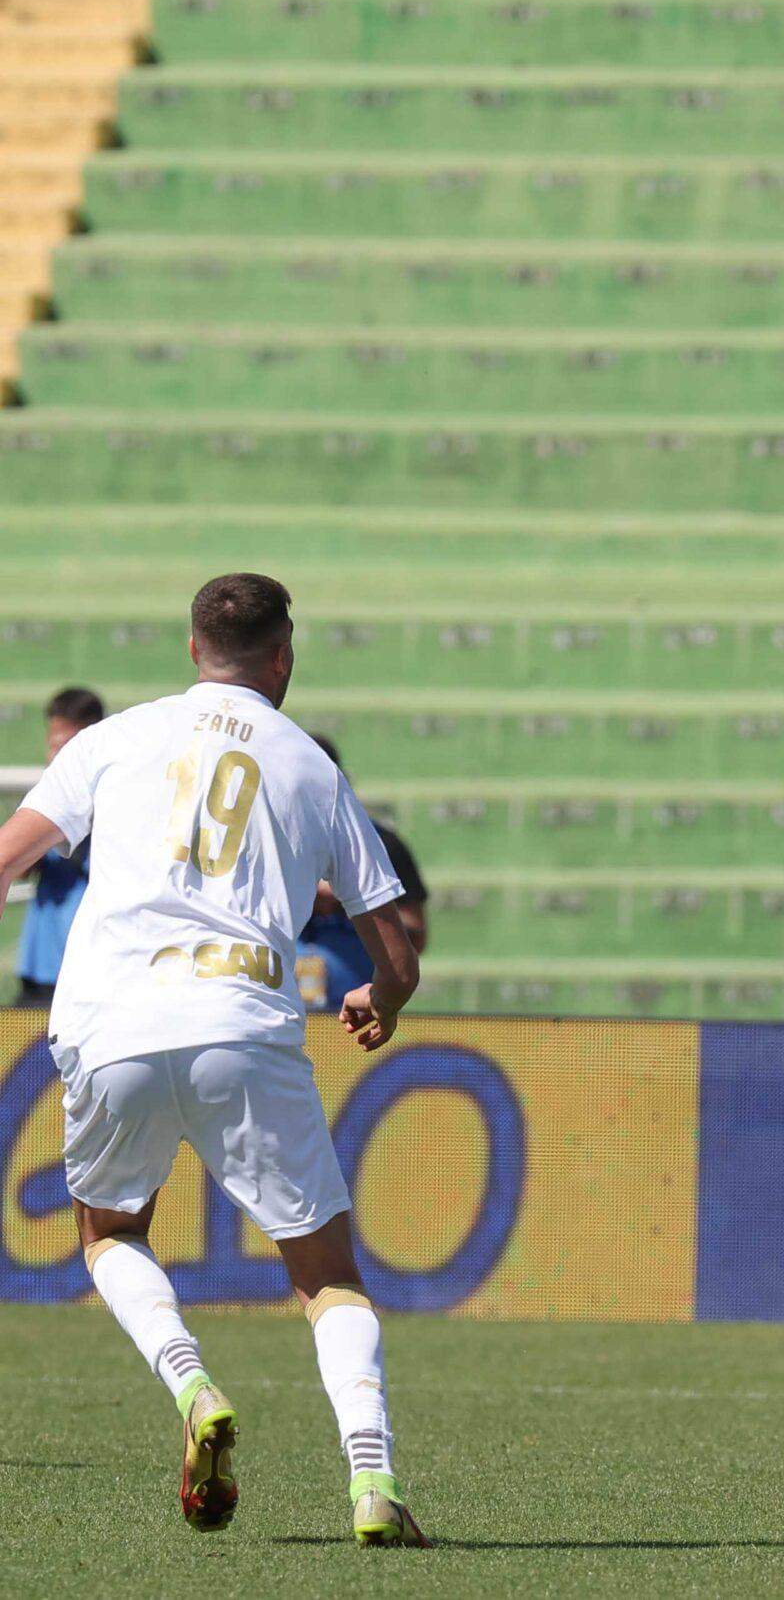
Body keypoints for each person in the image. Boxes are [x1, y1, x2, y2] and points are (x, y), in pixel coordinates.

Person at [0, 573, 427, 1547]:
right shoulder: (313, 769)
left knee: (110, 1233)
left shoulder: (111, 741)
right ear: (283, 657)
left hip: (113, 1025)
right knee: (327, 1278)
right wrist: (381, 998)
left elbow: (6, 861)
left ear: (193, 651)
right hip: (243, 1023)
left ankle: (192, 1384)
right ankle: (373, 1482)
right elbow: (394, 946)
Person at [295, 733, 430, 1014]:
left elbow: (417, 935)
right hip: (283, 1009)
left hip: (358, 1009)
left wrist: (359, 904)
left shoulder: (378, 844)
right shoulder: (273, 841)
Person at [14, 686, 105, 1007]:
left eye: (66, 747)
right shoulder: (49, 798)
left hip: (85, 975)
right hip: (39, 966)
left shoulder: (116, 803)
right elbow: (18, 866)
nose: (56, 756)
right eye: (53, 745)